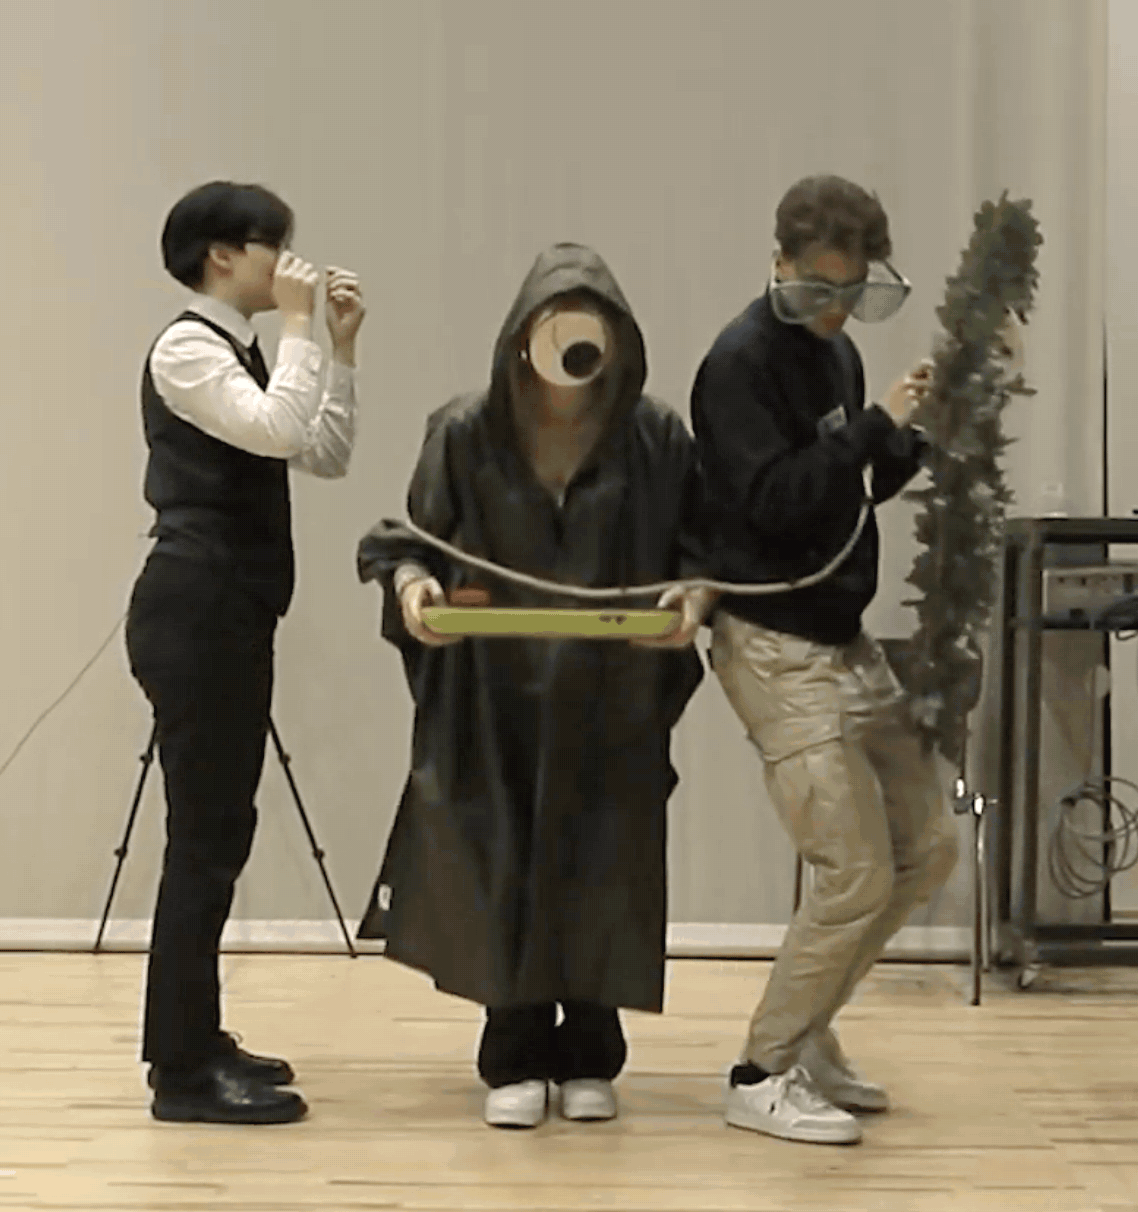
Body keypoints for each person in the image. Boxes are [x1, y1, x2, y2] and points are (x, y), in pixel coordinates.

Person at [354, 243, 714, 1131]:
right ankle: (512, 1050)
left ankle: (591, 1051)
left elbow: (701, 546)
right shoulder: (465, 431)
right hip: (494, 697)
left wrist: (695, 595)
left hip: (613, 692)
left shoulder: (657, 437)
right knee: (500, 859)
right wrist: (415, 590)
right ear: (521, 337)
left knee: (605, 864)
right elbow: (406, 543)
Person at [687, 174, 959, 1146]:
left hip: (843, 638)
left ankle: (807, 1033)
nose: (836, 309)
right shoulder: (738, 365)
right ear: (780, 264)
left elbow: (852, 490)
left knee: (928, 844)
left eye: (851, 292)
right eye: (817, 288)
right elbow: (773, 502)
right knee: (852, 869)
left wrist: (908, 440)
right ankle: (760, 1071)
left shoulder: (836, 352)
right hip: (772, 644)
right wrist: (874, 429)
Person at [125, 180, 366, 1125]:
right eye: (277, 246)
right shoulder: (186, 348)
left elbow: (323, 449)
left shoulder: (250, 351)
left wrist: (336, 346)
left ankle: (195, 1036)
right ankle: (181, 1071)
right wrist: (302, 328)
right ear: (222, 255)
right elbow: (277, 428)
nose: (290, 264)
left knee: (221, 833)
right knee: (202, 840)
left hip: (231, 614)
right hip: (195, 612)